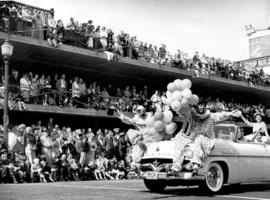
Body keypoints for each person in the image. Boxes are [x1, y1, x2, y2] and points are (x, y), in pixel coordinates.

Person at [171, 105, 240, 173]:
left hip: (206, 139)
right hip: (192, 137)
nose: (200, 117)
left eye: (202, 109)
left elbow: (221, 115)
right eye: (198, 109)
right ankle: (176, 167)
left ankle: (196, 163)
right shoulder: (191, 116)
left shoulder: (210, 116)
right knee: (179, 140)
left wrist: (231, 113)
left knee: (199, 138)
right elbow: (182, 113)